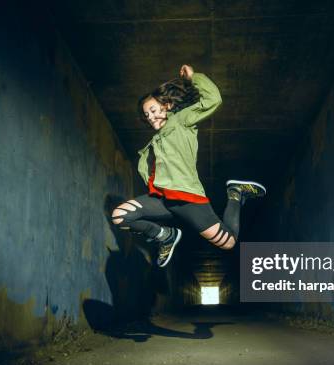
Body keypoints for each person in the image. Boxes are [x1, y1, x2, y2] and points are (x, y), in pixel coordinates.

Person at [111, 64, 266, 267]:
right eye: (146, 115)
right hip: (164, 201)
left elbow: (213, 100)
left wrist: (194, 77)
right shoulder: (154, 141)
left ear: (166, 105)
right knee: (120, 216)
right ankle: (165, 236)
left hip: (187, 200)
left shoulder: (181, 121)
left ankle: (235, 194)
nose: (150, 117)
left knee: (229, 242)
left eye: (153, 110)